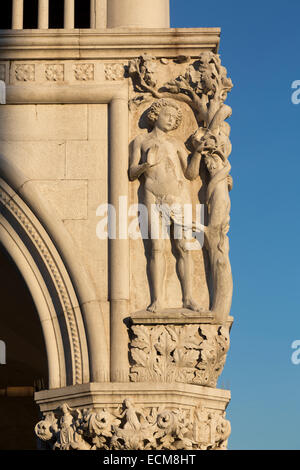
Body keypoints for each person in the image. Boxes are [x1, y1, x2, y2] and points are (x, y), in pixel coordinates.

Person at [129, 98, 202, 313]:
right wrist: (144, 165)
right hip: (152, 196)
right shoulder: (141, 141)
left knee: (183, 247)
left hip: (178, 197)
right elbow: (132, 173)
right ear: (156, 116)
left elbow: (191, 174)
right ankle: (157, 299)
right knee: (157, 248)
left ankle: (188, 297)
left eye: (174, 118)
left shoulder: (177, 144)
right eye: (167, 116)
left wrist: (197, 152)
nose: (171, 120)